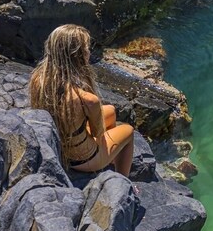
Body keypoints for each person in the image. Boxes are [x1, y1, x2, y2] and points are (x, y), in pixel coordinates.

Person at [29, 24, 134, 176]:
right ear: (78, 55)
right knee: (128, 131)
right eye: (86, 49)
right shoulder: (87, 99)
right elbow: (98, 133)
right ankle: (124, 179)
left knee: (110, 110)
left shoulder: (38, 80)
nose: (89, 52)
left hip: (58, 145)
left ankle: (110, 156)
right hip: (83, 160)